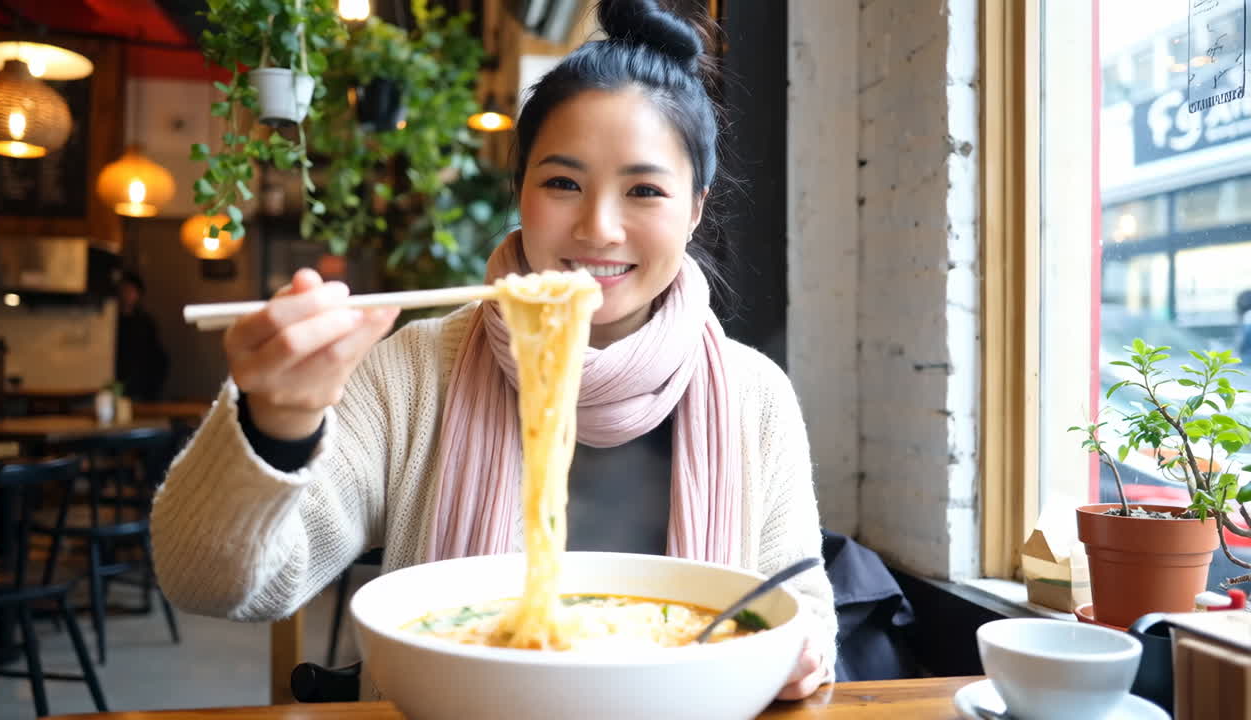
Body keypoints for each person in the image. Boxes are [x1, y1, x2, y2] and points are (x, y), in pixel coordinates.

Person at [150, 0, 836, 700]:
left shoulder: (754, 396)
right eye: (563, 183)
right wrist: (276, 423)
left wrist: (804, 650)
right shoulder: (413, 374)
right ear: (521, 191)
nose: (599, 228)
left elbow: (802, 606)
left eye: (644, 190)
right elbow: (211, 582)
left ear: (695, 209)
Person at [115, 271, 169, 401]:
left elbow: (155, 353)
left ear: (138, 294)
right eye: (124, 290)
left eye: (131, 291)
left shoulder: (145, 323)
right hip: (118, 378)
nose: (127, 295)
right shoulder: (111, 322)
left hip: (141, 382)